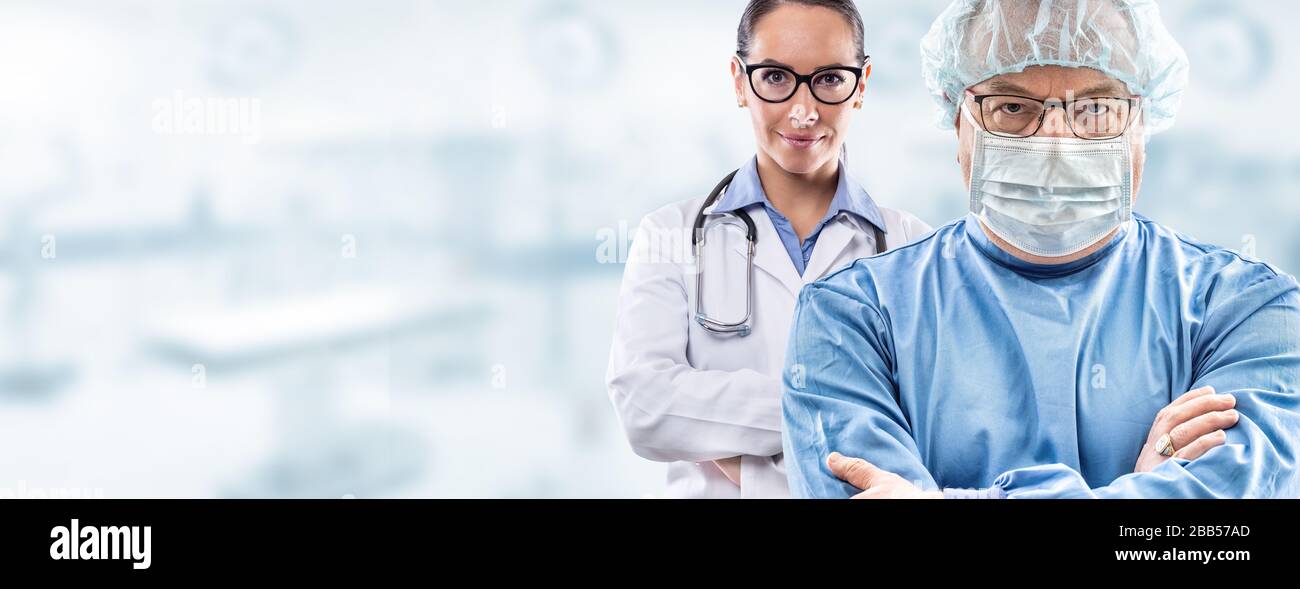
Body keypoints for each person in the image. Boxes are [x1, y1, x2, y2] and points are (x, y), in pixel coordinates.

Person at [781, 0, 1300, 499]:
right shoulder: (850, 318)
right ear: (956, 120)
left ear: (1143, 121)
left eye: (1096, 108)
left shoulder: (1249, 309)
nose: (1056, 140)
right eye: (1012, 106)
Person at [605, 0, 932, 498]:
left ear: (861, 85)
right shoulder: (670, 235)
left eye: (829, 79)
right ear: (740, 81)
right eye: (776, 78)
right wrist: (844, 409)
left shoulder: (913, 249)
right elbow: (645, 407)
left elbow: (929, 427)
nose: (803, 110)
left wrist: (738, 452)